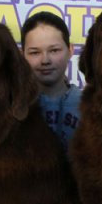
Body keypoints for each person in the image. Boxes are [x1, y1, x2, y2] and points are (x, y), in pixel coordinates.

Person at [20, 11, 81, 152]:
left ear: (70, 50)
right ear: (21, 54)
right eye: (35, 52)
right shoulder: (12, 107)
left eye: (54, 50)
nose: (45, 60)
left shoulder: (87, 106)